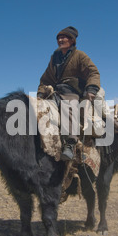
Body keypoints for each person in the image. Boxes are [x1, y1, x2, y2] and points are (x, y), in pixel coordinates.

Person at [37, 26, 100, 161]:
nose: (60, 39)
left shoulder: (80, 56)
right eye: (59, 37)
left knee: (68, 106)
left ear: (72, 40)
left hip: (72, 91)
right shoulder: (55, 57)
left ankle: (70, 144)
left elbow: (93, 72)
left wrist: (91, 89)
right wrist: (41, 93)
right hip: (55, 91)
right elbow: (46, 78)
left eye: (64, 37)